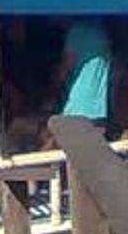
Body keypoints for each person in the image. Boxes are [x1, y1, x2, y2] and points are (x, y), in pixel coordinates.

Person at [40, 19, 111, 150]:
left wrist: (52, 89)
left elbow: (65, 66)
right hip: (99, 110)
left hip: (78, 107)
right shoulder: (101, 31)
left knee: (51, 146)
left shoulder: (77, 32)